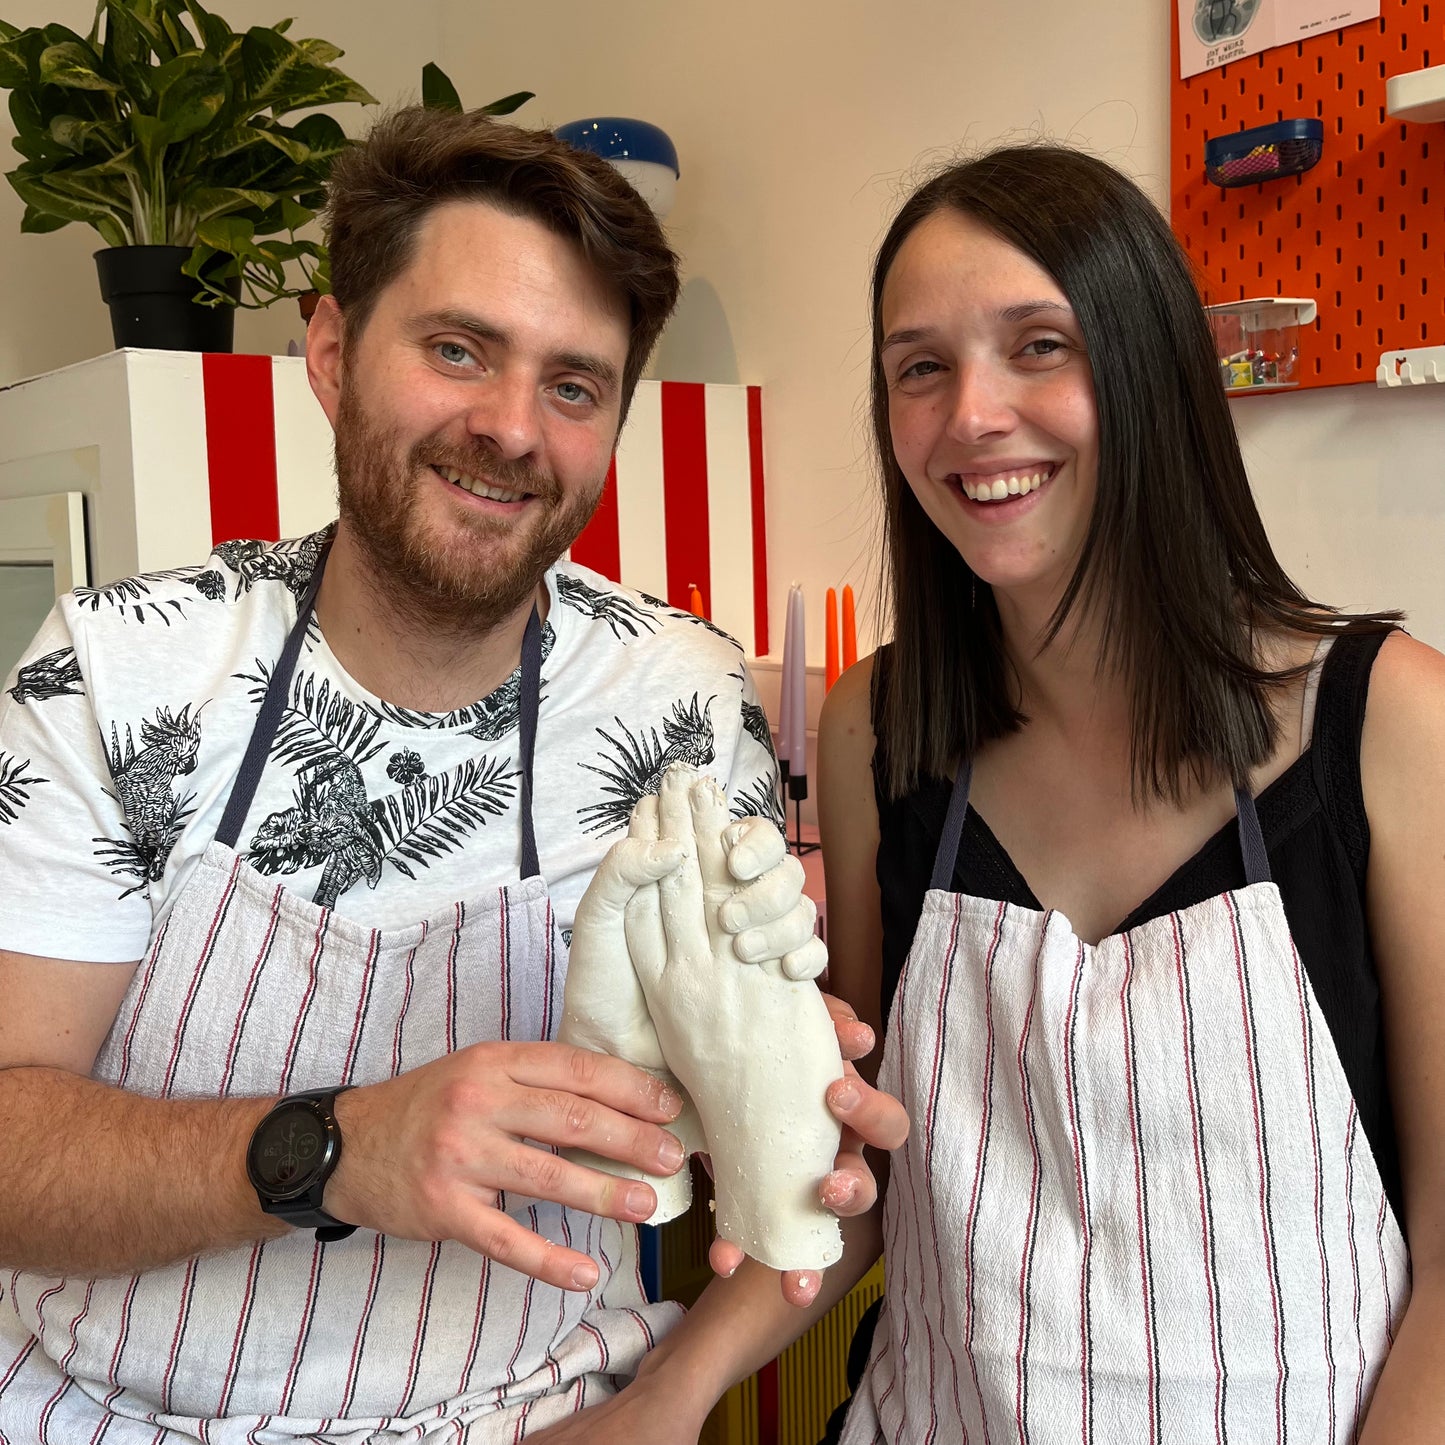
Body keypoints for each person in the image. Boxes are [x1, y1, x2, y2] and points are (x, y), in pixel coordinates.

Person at [0, 107, 903, 1442]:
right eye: (457, 349)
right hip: (107, 1407)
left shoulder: (686, 702)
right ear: (329, 348)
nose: (510, 427)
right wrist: (340, 1148)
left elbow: (800, 1178)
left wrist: (674, 1383)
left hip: (531, 1415)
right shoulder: (124, 671)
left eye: (573, 384)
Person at [815, 143, 1445, 1442]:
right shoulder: (874, 726)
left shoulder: (1386, 720)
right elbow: (863, 1179)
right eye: (918, 366)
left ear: (1150, 369)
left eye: (1037, 344)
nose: (971, 412)